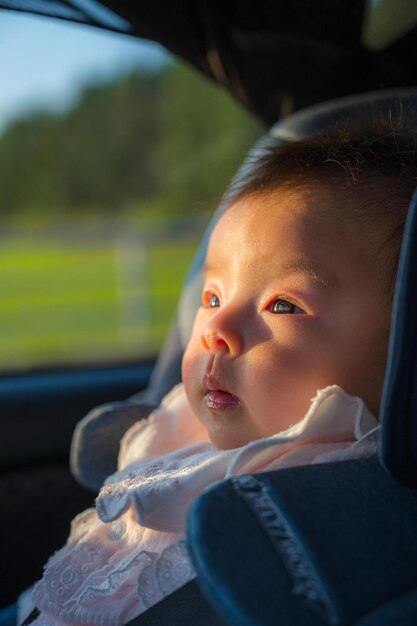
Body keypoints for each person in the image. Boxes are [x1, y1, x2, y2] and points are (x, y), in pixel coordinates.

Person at [15, 121, 417, 626]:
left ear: (404, 349)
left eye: (284, 305)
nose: (214, 329)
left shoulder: (334, 529)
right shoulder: (181, 429)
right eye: (212, 297)